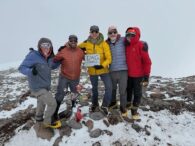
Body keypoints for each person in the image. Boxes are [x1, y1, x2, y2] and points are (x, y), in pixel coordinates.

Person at [18, 38, 60, 128]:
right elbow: (21, 68)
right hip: (37, 87)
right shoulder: (33, 55)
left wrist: (60, 61)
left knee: (41, 102)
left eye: (48, 45)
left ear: (51, 47)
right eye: (43, 45)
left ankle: (39, 118)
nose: (46, 47)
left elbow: (52, 67)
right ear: (39, 46)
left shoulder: (49, 58)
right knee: (52, 103)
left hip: (45, 86)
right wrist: (30, 71)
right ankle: (47, 122)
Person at [78, 25, 112, 115]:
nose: (94, 33)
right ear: (90, 32)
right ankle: (94, 104)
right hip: (92, 71)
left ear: (98, 32)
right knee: (94, 89)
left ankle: (104, 106)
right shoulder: (86, 43)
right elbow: (77, 48)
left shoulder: (104, 44)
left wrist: (102, 66)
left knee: (109, 87)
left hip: (104, 70)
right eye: (92, 32)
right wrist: (83, 54)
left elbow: (109, 58)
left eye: (96, 32)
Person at [53, 35, 84, 120]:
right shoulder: (63, 50)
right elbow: (54, 59)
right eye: (71, 40)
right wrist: (59, 51)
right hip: (64, 77)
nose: (73, 42)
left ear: (77, 42)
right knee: (60, 94)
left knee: (74, 93)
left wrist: (87, 52)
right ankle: (54, 113)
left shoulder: (80, 51)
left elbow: (88, 59)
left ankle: (74, 108)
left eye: (75, 41)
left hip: (75, 78)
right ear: (69, 41)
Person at [125, 27, 152, 120]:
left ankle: (134, 110)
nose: (130, 37)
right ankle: (127, 106)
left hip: (138, 76)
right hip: (128, 75)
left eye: (132, 35)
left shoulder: (141, 45)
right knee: (128, 91)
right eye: (128, 35)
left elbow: (147, 62)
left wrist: (146, 76)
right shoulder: (126, 45)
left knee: (137, 94)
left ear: (136, 35)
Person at [106, 26, 128, 116]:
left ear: (117, 32)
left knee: (122, 91)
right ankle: (113, 104)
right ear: (108, 34)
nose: (113, 34)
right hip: (112, 70)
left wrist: (143, 44)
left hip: (123, 70)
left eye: (114, 32)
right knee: (113, 89)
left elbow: (133, 40)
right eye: (110, 33)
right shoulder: (106, 43)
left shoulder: (123, 40)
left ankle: (123, 108)